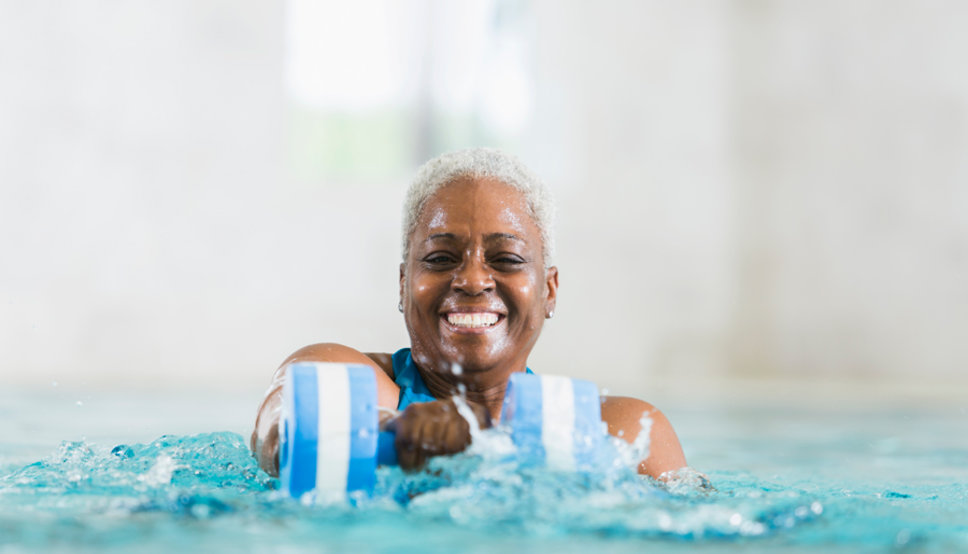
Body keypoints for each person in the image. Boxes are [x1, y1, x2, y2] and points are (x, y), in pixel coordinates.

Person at [250, 148, 688, 479]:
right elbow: (280, 430)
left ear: (549, 291)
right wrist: (396, 433)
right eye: (441, 258)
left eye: (507, 259)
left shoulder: (621, 430)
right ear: (403, 284)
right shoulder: (346, 374)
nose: (473, 280)